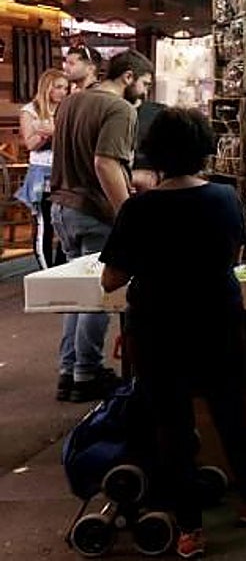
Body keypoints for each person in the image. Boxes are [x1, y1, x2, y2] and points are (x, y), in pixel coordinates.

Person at [99, 108, 246, 559]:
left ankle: (187, 529)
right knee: (230, 412)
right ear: (204, 149)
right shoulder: (224, 198)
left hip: (157, 326)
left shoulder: (138, 209)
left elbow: (111, 279)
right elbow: (235, 251)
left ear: (155, 153)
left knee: (172, 425)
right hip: (215, 321)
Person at [49, 49, 153, 403]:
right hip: (95, 210)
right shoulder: (119, 109)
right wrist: (128, 216)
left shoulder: (72, 102)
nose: (145, 91)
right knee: (98, 295)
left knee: (77, 295)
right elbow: (106, 163)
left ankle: (69, 370)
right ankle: (87, 373)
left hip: (63, 207)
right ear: (128, 77)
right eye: (144, 83)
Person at [17, 68, 69, 269]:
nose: (62, 92)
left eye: (65, 87)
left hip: (63, 171)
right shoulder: (30, 110)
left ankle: (61, 269)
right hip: (41, 171)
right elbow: (30, 143)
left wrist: (52, 129)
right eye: (58, 87)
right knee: (44, 224)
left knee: (64, 222)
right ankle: (46, 271)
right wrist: (49, 133)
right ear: (47, 88)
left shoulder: (66, 109)